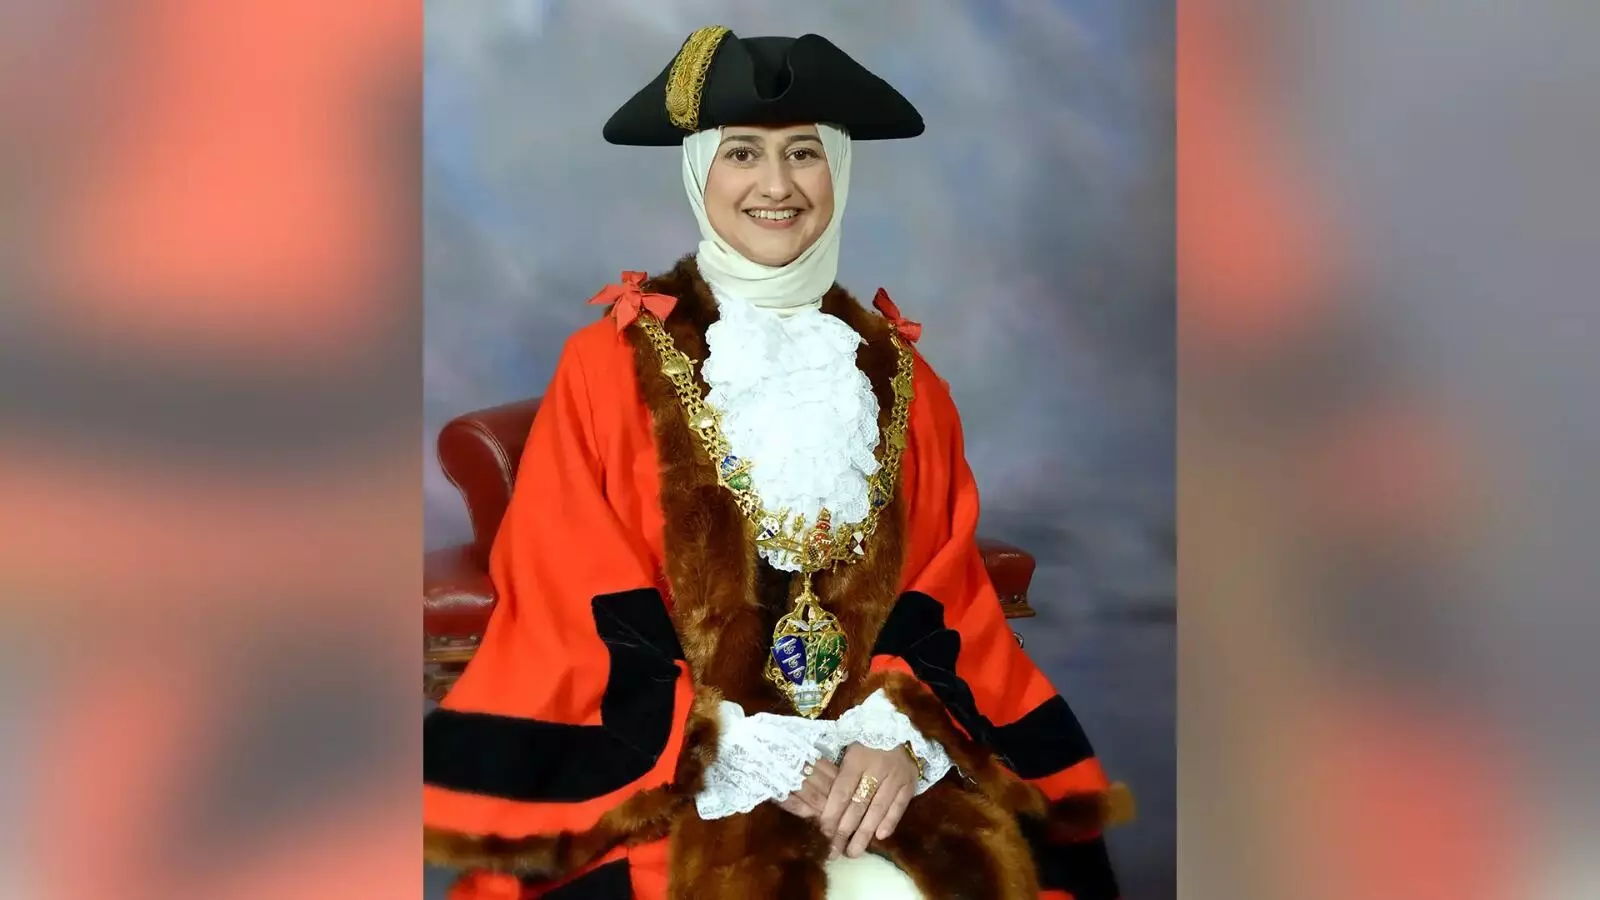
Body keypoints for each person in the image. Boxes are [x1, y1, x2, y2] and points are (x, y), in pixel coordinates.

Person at [423, 27, 1129, 900]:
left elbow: (940, 586)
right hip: (680, 766)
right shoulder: (605, 370)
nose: (776, 185)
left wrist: (901, 729)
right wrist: (731, 745)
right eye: (742, 154)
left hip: (873, 753)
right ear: (699, 173)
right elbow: (573, 591)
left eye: (803, 152)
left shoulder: (903, 382)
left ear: (838, 169)